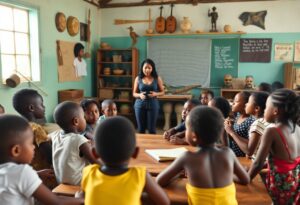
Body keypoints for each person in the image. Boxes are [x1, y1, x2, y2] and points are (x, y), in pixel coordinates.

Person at [156, 106, 250, 205]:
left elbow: (160, 181)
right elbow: (245, 180)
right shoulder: (228, 153)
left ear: (194, 136)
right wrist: (225, 174)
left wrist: (178, 174)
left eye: (187, 129)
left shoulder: (187, 157)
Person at [81, 116, 170, 205]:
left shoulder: (89, 173)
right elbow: (164, 202)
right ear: (135, 153)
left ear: (94, 153)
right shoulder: (139, 175)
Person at [0, 115, 83, 205]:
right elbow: (56, 201)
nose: (34, 147)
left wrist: (36, 174)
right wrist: (80, 199)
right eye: (30, 144)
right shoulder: (22, 172)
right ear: (16, 150)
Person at [248, 89, 300, 204]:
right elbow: (285, 160)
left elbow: (258, 163)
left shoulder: (272, 131)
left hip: (280, 186)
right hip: (294, 183)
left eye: (266, 107)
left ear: (275, 111)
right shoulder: (297, 129)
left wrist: (246, 178)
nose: (264, 110)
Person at [50, 101, 99, 185]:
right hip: (79, 184)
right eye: (83, 117)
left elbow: (46, 137)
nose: (85, 119)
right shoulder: (79, 140)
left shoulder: (55, 135)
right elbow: (96, 161)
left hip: (60, 183)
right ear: (76, 121)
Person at [12, 89, 52, 171]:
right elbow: (49, 153)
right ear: (31, 108)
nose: (44, 107)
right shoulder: (36, 128)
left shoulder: (17, 125)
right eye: (41, 104)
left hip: (27, 171)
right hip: (43, 172)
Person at [226, 92, 269, 158]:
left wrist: (232, 132)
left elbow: (249, 151)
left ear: (257, 108)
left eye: (248, 102)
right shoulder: (263, 122)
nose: (246, 104)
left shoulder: (257, 123)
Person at [133, 58, 165, 134]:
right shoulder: (138, 78)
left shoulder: (157, 78)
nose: (147, 70)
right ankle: (141, 145)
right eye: (145, 68)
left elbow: (163, 92)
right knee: (141, 129)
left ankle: (153, 146)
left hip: (153, 105)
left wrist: (155, 94)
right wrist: (140, 95)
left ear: (152, 68)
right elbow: (134, 93)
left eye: (149, 68)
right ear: (142, 68)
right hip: (139, 105)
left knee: (152, 130)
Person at [224, 91, 255, 157]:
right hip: (235, 156)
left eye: (236, 101)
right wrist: (228, 128)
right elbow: (235, 138)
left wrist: (231, 132)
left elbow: (250, 147)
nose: (233, 103)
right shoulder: (238, 115)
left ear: (246, 104)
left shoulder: (251, 121)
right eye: (233, 101)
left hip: (244, 159)